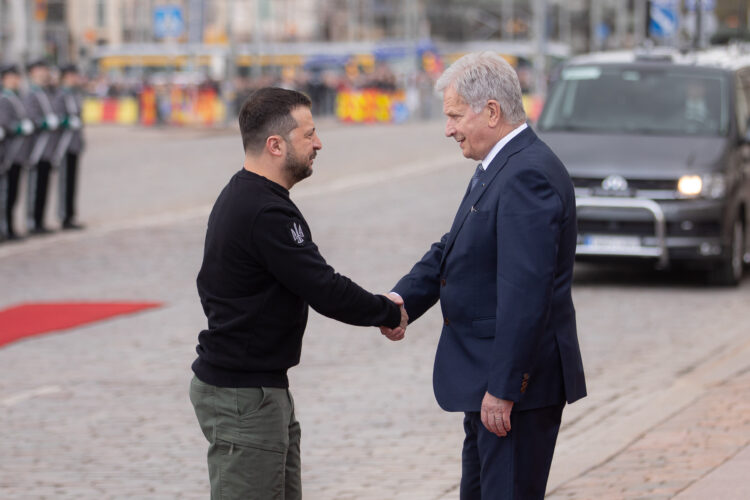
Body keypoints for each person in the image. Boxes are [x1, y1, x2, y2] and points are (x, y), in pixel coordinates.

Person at [380, 52, 587, 499]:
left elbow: (524, 292)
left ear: (491, 111)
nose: (449, 128)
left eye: (455, 115)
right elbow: (453, 248)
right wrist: (402, 301)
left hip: (512, 390)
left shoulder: (525, 173)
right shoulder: (501, 165)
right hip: (489, 381)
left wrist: (504, 388)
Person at [189, 87, 407, 499]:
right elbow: (323, 287)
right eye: (308, 135)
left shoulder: (251, 197)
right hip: (244, 397)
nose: (319, 143)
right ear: (276, 145)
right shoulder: (262, 209)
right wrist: (386, 311)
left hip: (261, 389)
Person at [23, 59, 60, 235]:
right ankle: (32, 222)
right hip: (36, 148)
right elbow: (31, 116)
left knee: (44, 186)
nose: (44, 73)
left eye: (45, 70)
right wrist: (42, 122)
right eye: (41, 70)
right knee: (35, 186)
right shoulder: (31, 94)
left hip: (48, 149)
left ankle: (40, 221)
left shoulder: (48, 92)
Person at [0, 63, 34, 241]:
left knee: (13, 193)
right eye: (11, 76)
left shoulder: (16, 97)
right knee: (5, 193)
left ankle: (10, 228)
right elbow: (5, 124)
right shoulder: (4, 99)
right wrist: (18, 127)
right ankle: (5, 228)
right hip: (8, 154)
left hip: (18, 154)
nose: (15, 80)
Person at [52, 64, 85, 230]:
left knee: (72, 181)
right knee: (65, 181)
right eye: (72, 75)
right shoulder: (60, 95)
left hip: (74, 144)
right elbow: (57, 118)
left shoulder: (74, 94)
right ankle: (64, 216)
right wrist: (65, 121)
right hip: (64, 144)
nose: (75, 78)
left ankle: (71, 215)